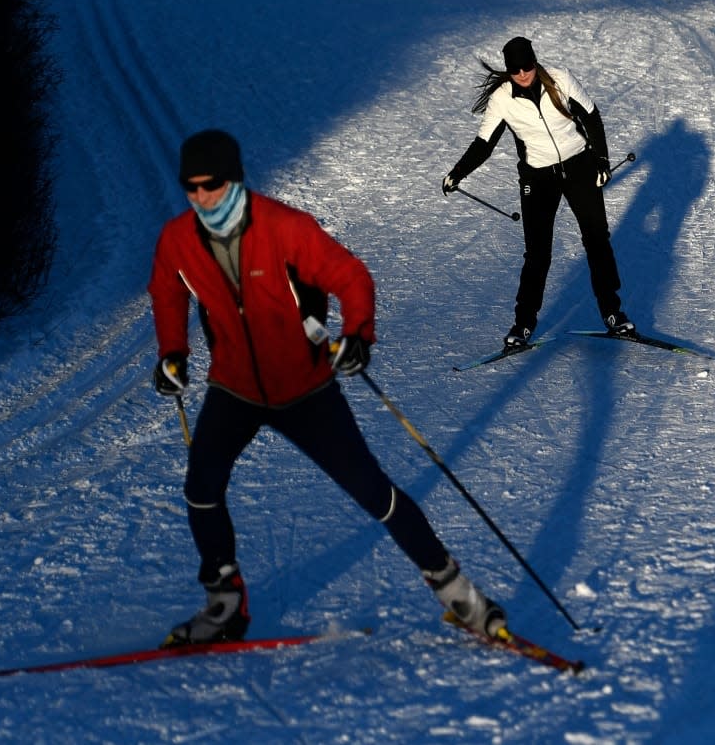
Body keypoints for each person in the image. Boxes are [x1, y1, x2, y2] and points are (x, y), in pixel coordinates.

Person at [148, 129, 505, 646]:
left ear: (234, 179)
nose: (200, 196)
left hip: (305, 389)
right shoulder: (178, 239)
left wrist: (358, 334)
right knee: (201, 490)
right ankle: (224, 605)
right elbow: (166, 291)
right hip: (234, 388)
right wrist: (172, 353)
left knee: (374, 492)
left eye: (211, 184)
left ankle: (460, 596)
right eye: (191, 187)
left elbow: (351, 276)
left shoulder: (283, 227)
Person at [443, 36, 635, 348]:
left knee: (597, 239)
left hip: (578, 166)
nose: (522, 73)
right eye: (515, 69)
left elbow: (591, 116)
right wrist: (458, 171)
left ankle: (613, 313)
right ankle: (523, 324)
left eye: (527, 65)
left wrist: (601, 160)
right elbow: (484, 143)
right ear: (508, 71)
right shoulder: (503, 99)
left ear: (535, 61)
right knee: (537, 253)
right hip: (538, 176)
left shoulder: (560, 79)